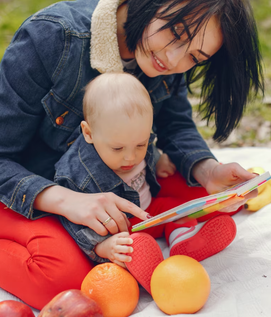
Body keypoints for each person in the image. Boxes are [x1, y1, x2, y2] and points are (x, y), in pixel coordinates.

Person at [0, 0, 263, 310]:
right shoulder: (54, 36)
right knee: (63, 280)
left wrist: (208, 171)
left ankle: (175, 235)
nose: (174, 61)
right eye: (176, 33)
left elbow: (174, 124)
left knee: (210, 196)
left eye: (195, 57)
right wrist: (68, 201)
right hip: (5, 187)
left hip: (106, 177)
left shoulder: (165, 59)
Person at [55, 72, 246, 294]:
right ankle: (149, 268)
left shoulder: (132, 137)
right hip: (118, 228)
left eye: (140, 145)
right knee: (128, 247)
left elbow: (148, 148)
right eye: (118, 149)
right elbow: (74, 221)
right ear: (88, 133)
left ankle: (184, 240)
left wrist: (157, 159)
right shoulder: (75, 172)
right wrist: (102, 246)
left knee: (175, 210)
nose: (130, 157)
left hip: (149, 212)